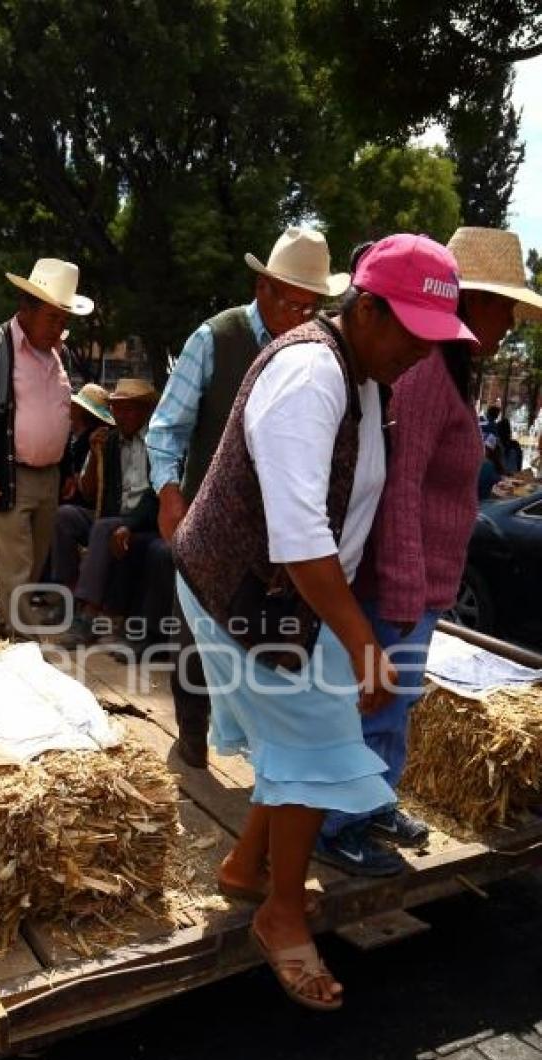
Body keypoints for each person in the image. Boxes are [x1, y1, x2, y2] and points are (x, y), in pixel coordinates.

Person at [172, 233, 476, 1010]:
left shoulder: (370, 375)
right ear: (367, 309)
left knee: (306, 730)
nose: (424, 351)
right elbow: (298, 532)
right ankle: (279, 913)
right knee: (316, 736)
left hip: (294, 593)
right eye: (414, 330)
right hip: (245, 588)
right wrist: (363, 639)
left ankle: (246, 870)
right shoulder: (311, 372)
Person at [318, 226, 542, 878]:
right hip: (400, 584)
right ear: (467, 302)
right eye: (502, 306)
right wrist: (405, 589)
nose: (509, 321)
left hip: (423, 584)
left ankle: (373, 803)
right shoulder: (424, 374)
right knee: (379, 704)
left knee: (397, 703)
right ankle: (338, 825)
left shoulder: (451, 370)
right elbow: (401, 486)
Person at [146, 227, 349, 767]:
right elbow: (166, 427)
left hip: (276, 530)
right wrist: (169, 494)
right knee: (193, 633)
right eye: (292, 302)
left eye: (313, 306)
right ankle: (192, 735)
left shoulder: (319, 353)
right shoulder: (217, 338)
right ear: (263, 287)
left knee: (266, 639)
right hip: (208, 519)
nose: (302, 316)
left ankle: (261, 752)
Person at [0, 258, 93, 635]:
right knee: (16, 569)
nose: (59, 328)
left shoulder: (58, 355)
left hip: (47, 476)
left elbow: (58, 415)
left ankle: (1, 632)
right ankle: (28, 649)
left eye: (64, 321)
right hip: (6, 474)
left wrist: (63, 470)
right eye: (53, 319)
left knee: (29, 569)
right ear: (26, 309)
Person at [53, 378, 159, 642]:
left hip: (141, 521)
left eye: (129, 409)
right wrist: (95, 453)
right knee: (64, 516)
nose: (121, 416)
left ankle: (88, 616)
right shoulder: (108, 441)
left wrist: (129, 525)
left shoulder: (156, 443)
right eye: (117, 409)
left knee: (103, 527)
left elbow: (155, 497)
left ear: (145, 411)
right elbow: (88, 493)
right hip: (109, 515)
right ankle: (71, 597)